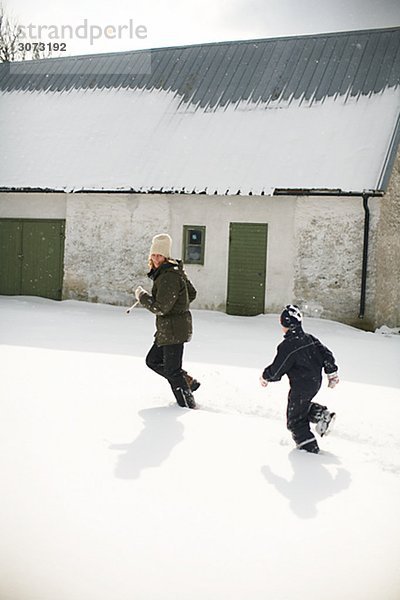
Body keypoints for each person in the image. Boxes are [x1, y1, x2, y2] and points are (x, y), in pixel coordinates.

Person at [260, 304, 339, 454]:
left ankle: (309, 450)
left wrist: (266, 376)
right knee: (300, 408)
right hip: (314, 382)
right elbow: (326, 354)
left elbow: (277, 370)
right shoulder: (309, 338)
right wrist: (332, 372)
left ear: (286, 324)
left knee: (295, 421)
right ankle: (322, 415)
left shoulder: (288, 346)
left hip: (301, 386)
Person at [135, 233, 200, 409]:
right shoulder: (171, 271)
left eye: (159, 255)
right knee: (153, 361)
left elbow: (160, 308)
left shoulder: (169, 276)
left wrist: (142, 297)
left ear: (166, 256)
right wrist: (179, 304)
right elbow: (190, 293)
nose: (156, 259)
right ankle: (187, 381)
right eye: (153, 255)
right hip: (169, 329)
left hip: (173, 330)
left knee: (172, 370)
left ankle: (188, 406)